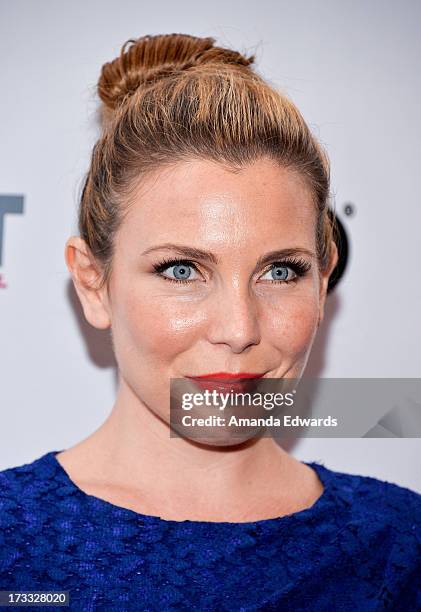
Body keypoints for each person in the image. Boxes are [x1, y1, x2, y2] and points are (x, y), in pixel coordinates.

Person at [0, 33, 420, 611]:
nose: (238, 326)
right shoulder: (10, 544)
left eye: (280, 272)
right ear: (94, 283)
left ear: (323, 283)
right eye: (180, 270)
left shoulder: (402, 547)